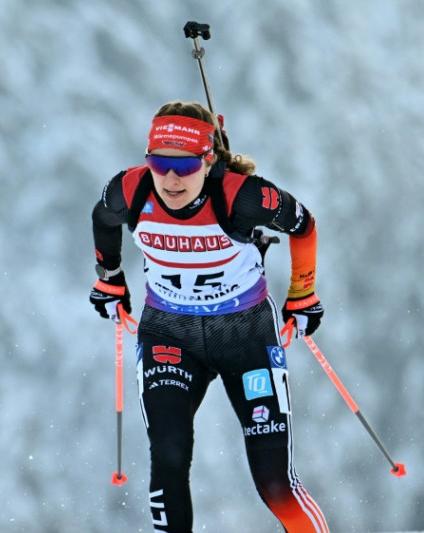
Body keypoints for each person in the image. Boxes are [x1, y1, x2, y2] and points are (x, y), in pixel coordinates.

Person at [89, 101, 329, 533]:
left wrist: (303, 292)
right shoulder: (130, 190)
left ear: (208, 159)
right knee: (168, 455)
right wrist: (110, 277)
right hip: (169, 333)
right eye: (159, 164)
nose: (171, 178)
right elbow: (102, 218)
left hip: (245, 336)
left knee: (274, 484)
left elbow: (303, 225)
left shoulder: (244, 196)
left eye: (184, 165)